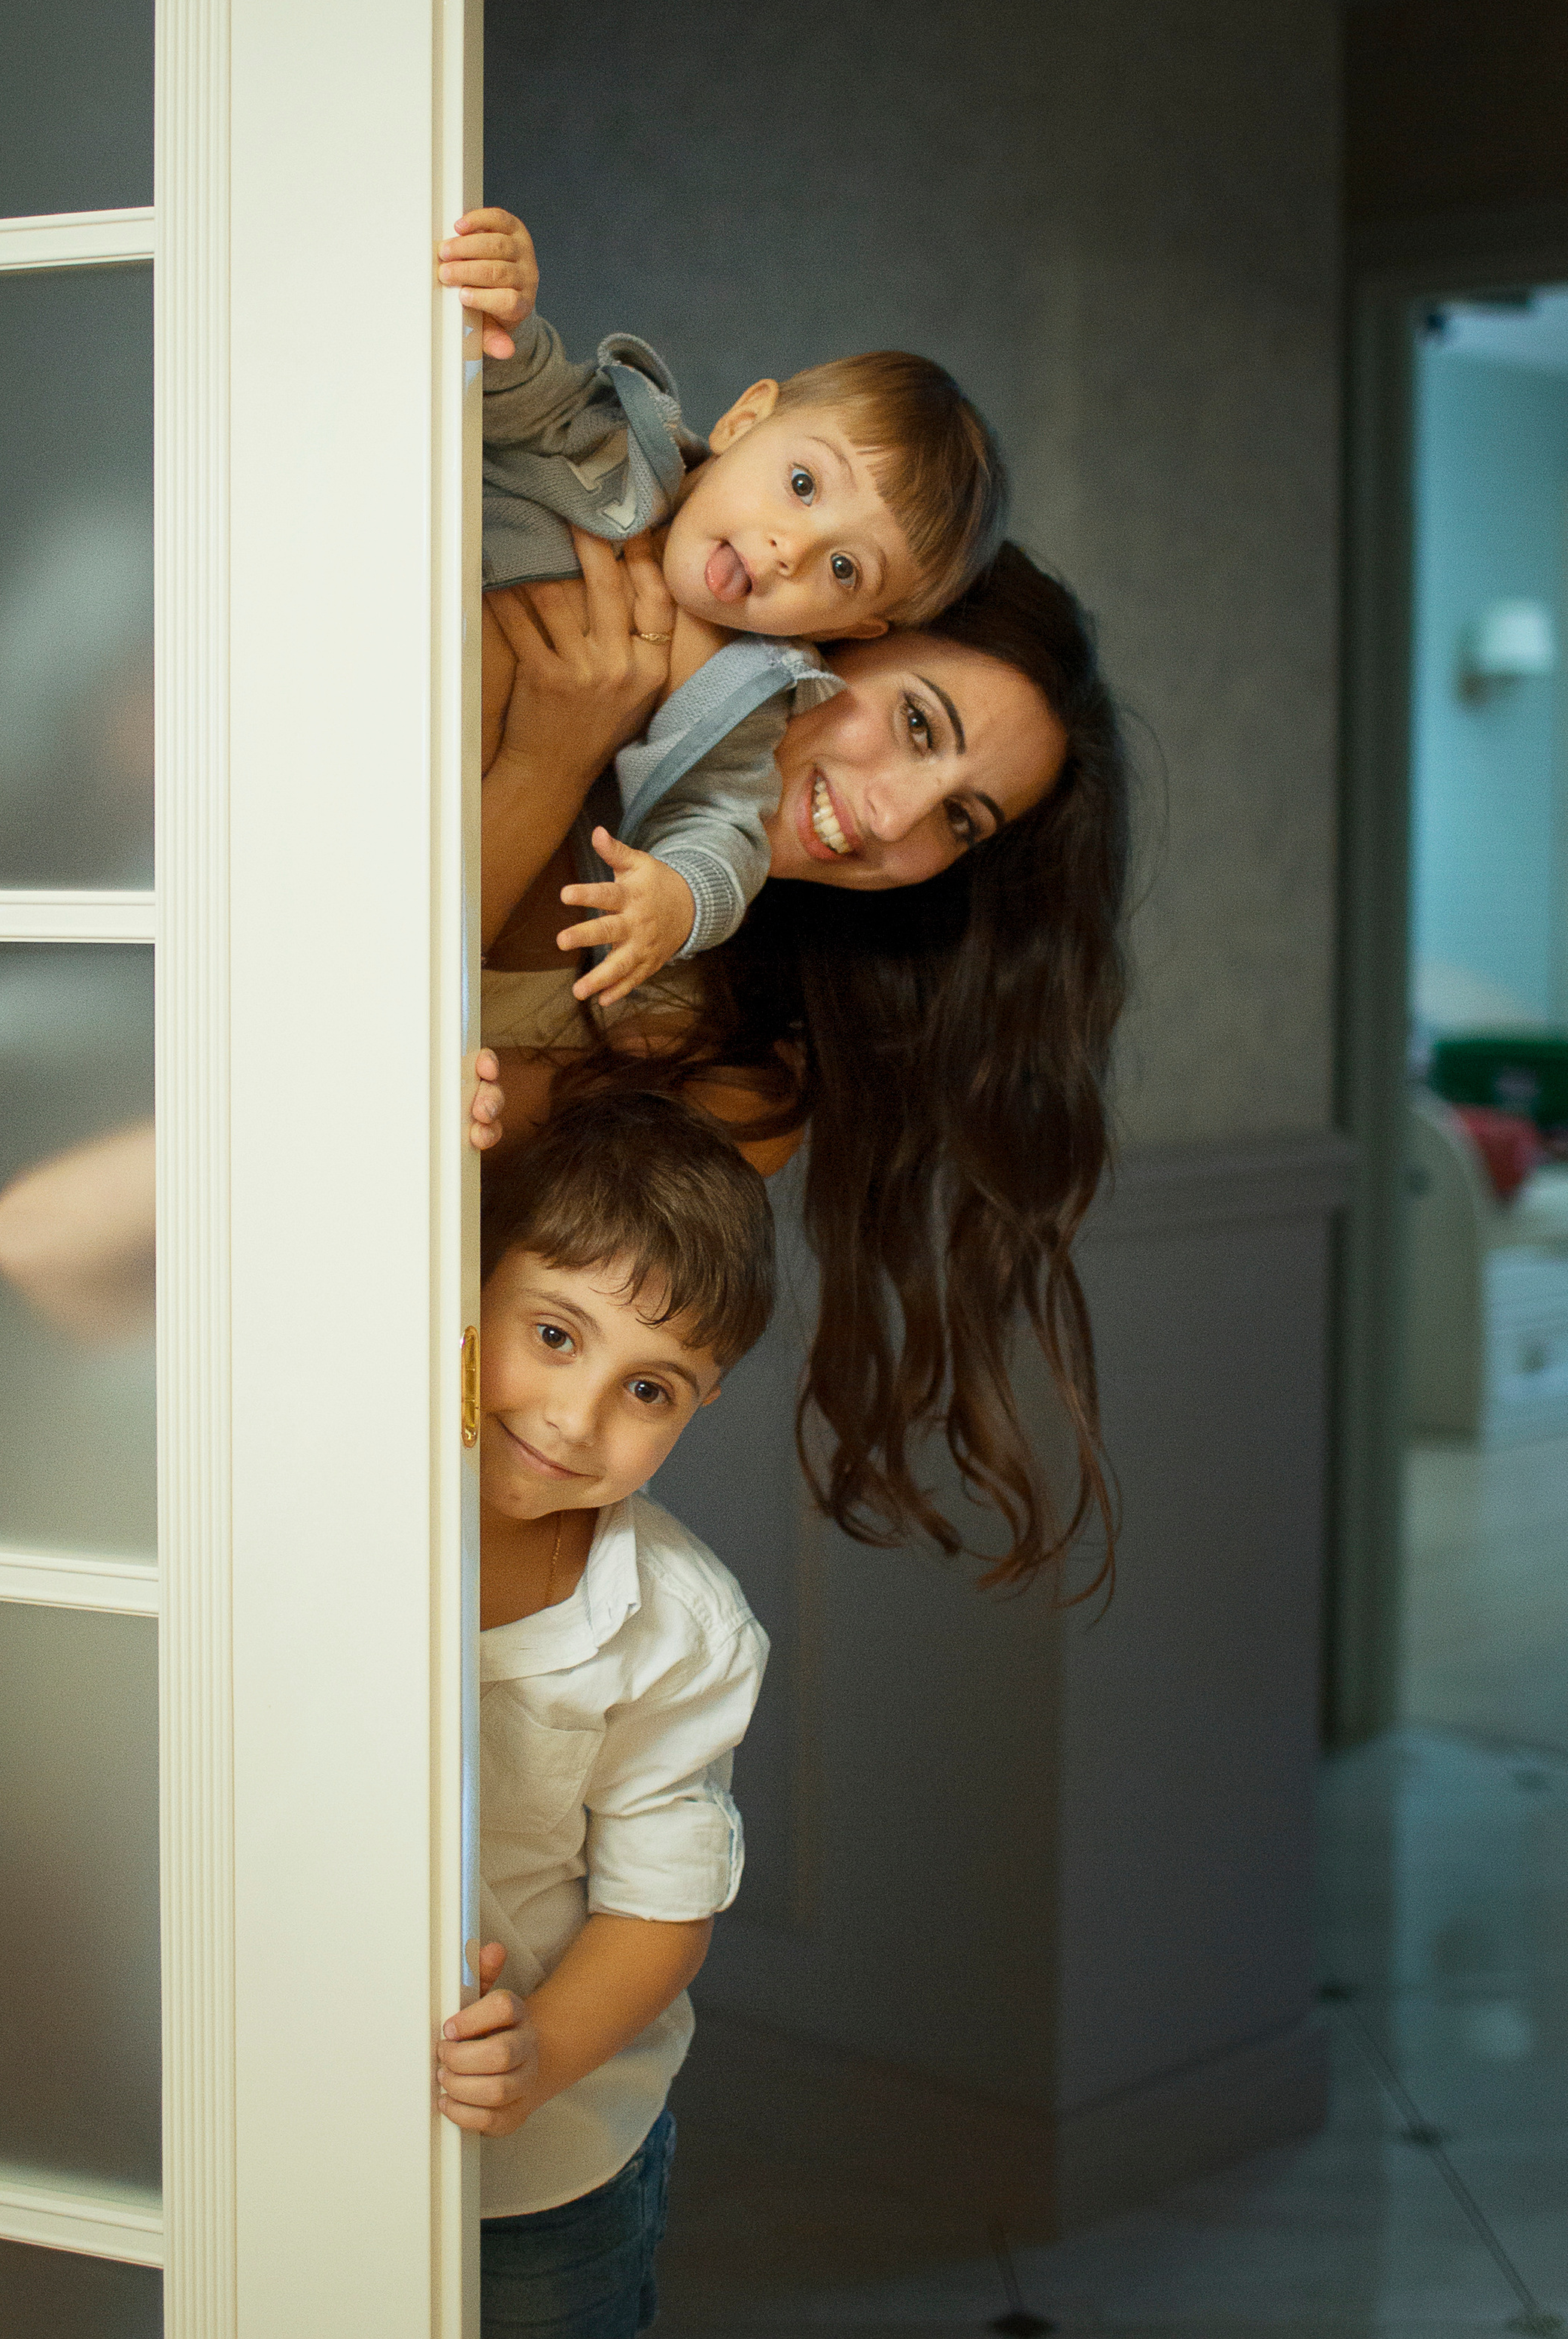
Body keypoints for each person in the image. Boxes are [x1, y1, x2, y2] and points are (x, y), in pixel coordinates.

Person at [479, 528, 1132, 1593]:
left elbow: (439, 1183)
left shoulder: (746, 1074)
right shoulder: (576, 624)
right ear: (833, 629)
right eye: (918, 723)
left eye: (959, 821)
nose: (891, 817)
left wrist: (543, 763)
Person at [442, 208, 1007, 1004]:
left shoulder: (746, 699)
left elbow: (724, 831)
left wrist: (678, 903)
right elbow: (513, 393)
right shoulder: (615, 439)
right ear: (744, 422)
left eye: (843, 567)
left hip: (425, 781)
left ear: (847, 628)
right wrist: (506, 307)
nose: (789, 549)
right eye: (803, 485)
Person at [437, 1088, 774, 2339]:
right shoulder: (329, 1486)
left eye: (648, 1389)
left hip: (551, 2167)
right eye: (552, 1335)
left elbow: (657, 1911)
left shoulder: (683, 1630)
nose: (577, 1418)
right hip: (302, 2118)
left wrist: (540, 2059)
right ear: (468, 1281)